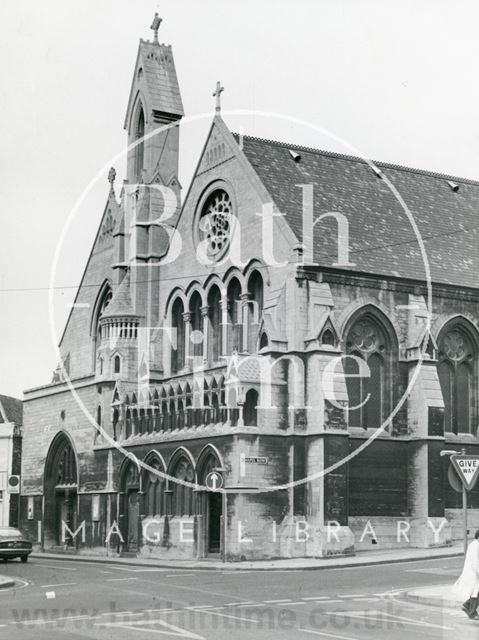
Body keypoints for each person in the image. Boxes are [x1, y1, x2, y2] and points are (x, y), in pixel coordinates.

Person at [452, 529, 479, 618]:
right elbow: (475, 562)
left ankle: (467, 606)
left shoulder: (476, 545)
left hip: (474, 573)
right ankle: (472, 612)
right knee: (475, 592)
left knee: (476, 592)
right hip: (473, 574)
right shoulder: (475, 546)